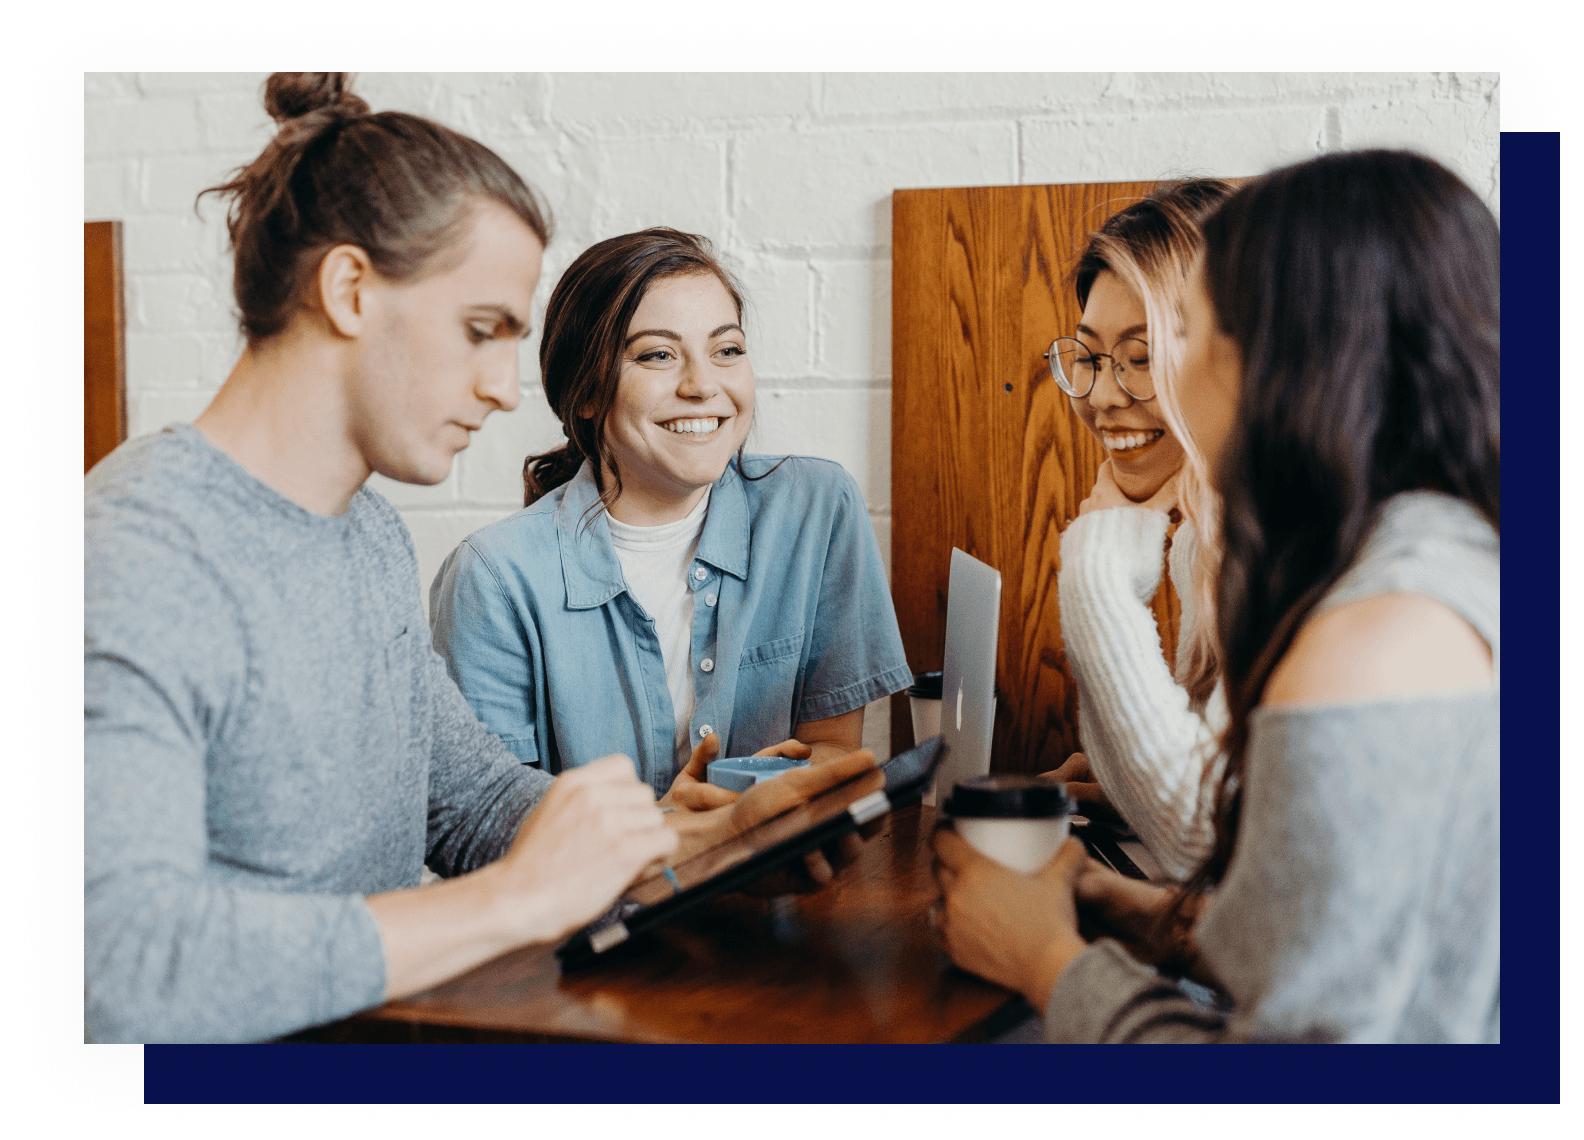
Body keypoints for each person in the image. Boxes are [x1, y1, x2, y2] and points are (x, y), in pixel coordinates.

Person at [84, 73, 880, 1044]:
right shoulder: (137, 554)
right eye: (479, 331)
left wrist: (700, 844)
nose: (508, 390)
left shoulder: (363, 535)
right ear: (348, 291)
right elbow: (118, 966)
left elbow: (468, 802)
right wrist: (516, 902)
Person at [932, 149, 1499, 1043]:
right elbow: (1370, 960)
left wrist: (1045, 959)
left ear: (1284, 357)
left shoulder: (1372, 641)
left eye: (1178, 335)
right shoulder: (1434, 560)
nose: (1120, 393)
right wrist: (1162, 925)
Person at [428, 228, 912, 804]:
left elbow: (834, 751)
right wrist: (681, 833)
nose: (702, 385)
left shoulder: (817, 508)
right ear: (585, 392)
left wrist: (764, 807)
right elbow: (491, 824)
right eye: (657, 355)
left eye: (726, 350)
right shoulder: (493, 577)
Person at [1041, 179, 1236, 879]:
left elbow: (1200, 841)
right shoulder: (1204, 538)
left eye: (1142, 356)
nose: (1100, 395)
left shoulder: (1280, 544)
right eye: (1089, 356)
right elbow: (1217, 810)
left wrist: (1097, 564)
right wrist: (1127, 783)